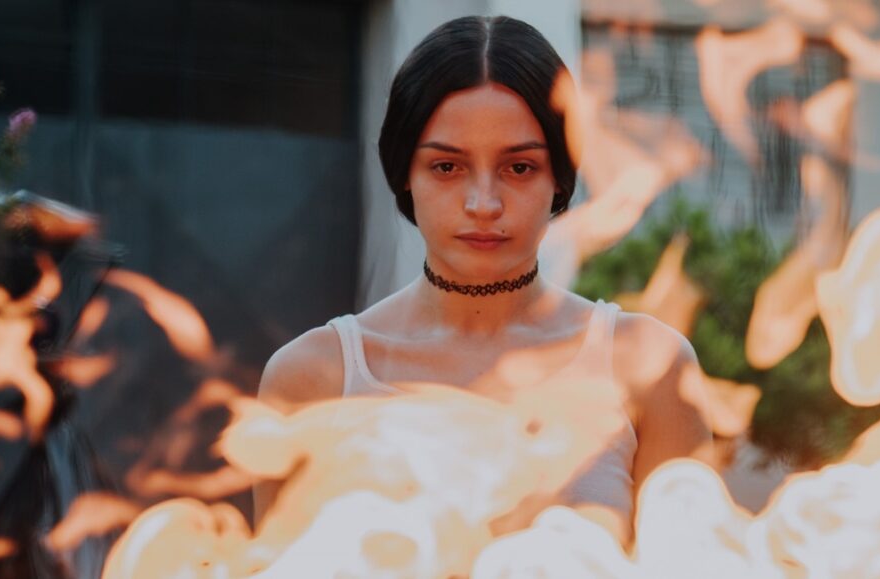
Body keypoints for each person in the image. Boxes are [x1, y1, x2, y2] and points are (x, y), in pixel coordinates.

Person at [254, 15, 710, 545]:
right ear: (405, 172)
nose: (483, 204)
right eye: (447, 167)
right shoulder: (315, 377)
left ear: (559, 177)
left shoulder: (649, 369)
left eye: (519, 168)